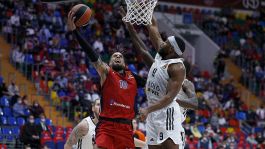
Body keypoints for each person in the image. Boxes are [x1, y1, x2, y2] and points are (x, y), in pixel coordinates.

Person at [120, 8, 197, 149]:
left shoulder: (177, 69)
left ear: (172, 51)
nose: (162, 43)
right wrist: (142, 12)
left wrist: (148, 109)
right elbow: (152, 28)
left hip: (167, 113)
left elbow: (171, 99)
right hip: (154, 113)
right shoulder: (162, 56)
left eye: (166, 43)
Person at [67, 11, 146, 149]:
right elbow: (91, 52)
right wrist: (75, 32)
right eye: (114, 56)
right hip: (107, 126)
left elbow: (153, 84)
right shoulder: (106, 72)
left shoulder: (133, 77)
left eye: (120, 56)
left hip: (126, 127)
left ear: (125, 63)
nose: (117, 57)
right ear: (108, 63)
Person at [64, 99, 146, 149]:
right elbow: (68, 145)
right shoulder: (84, 125)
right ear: (93, 108)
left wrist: (146, 144)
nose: (101, 107)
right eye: (98, 104)